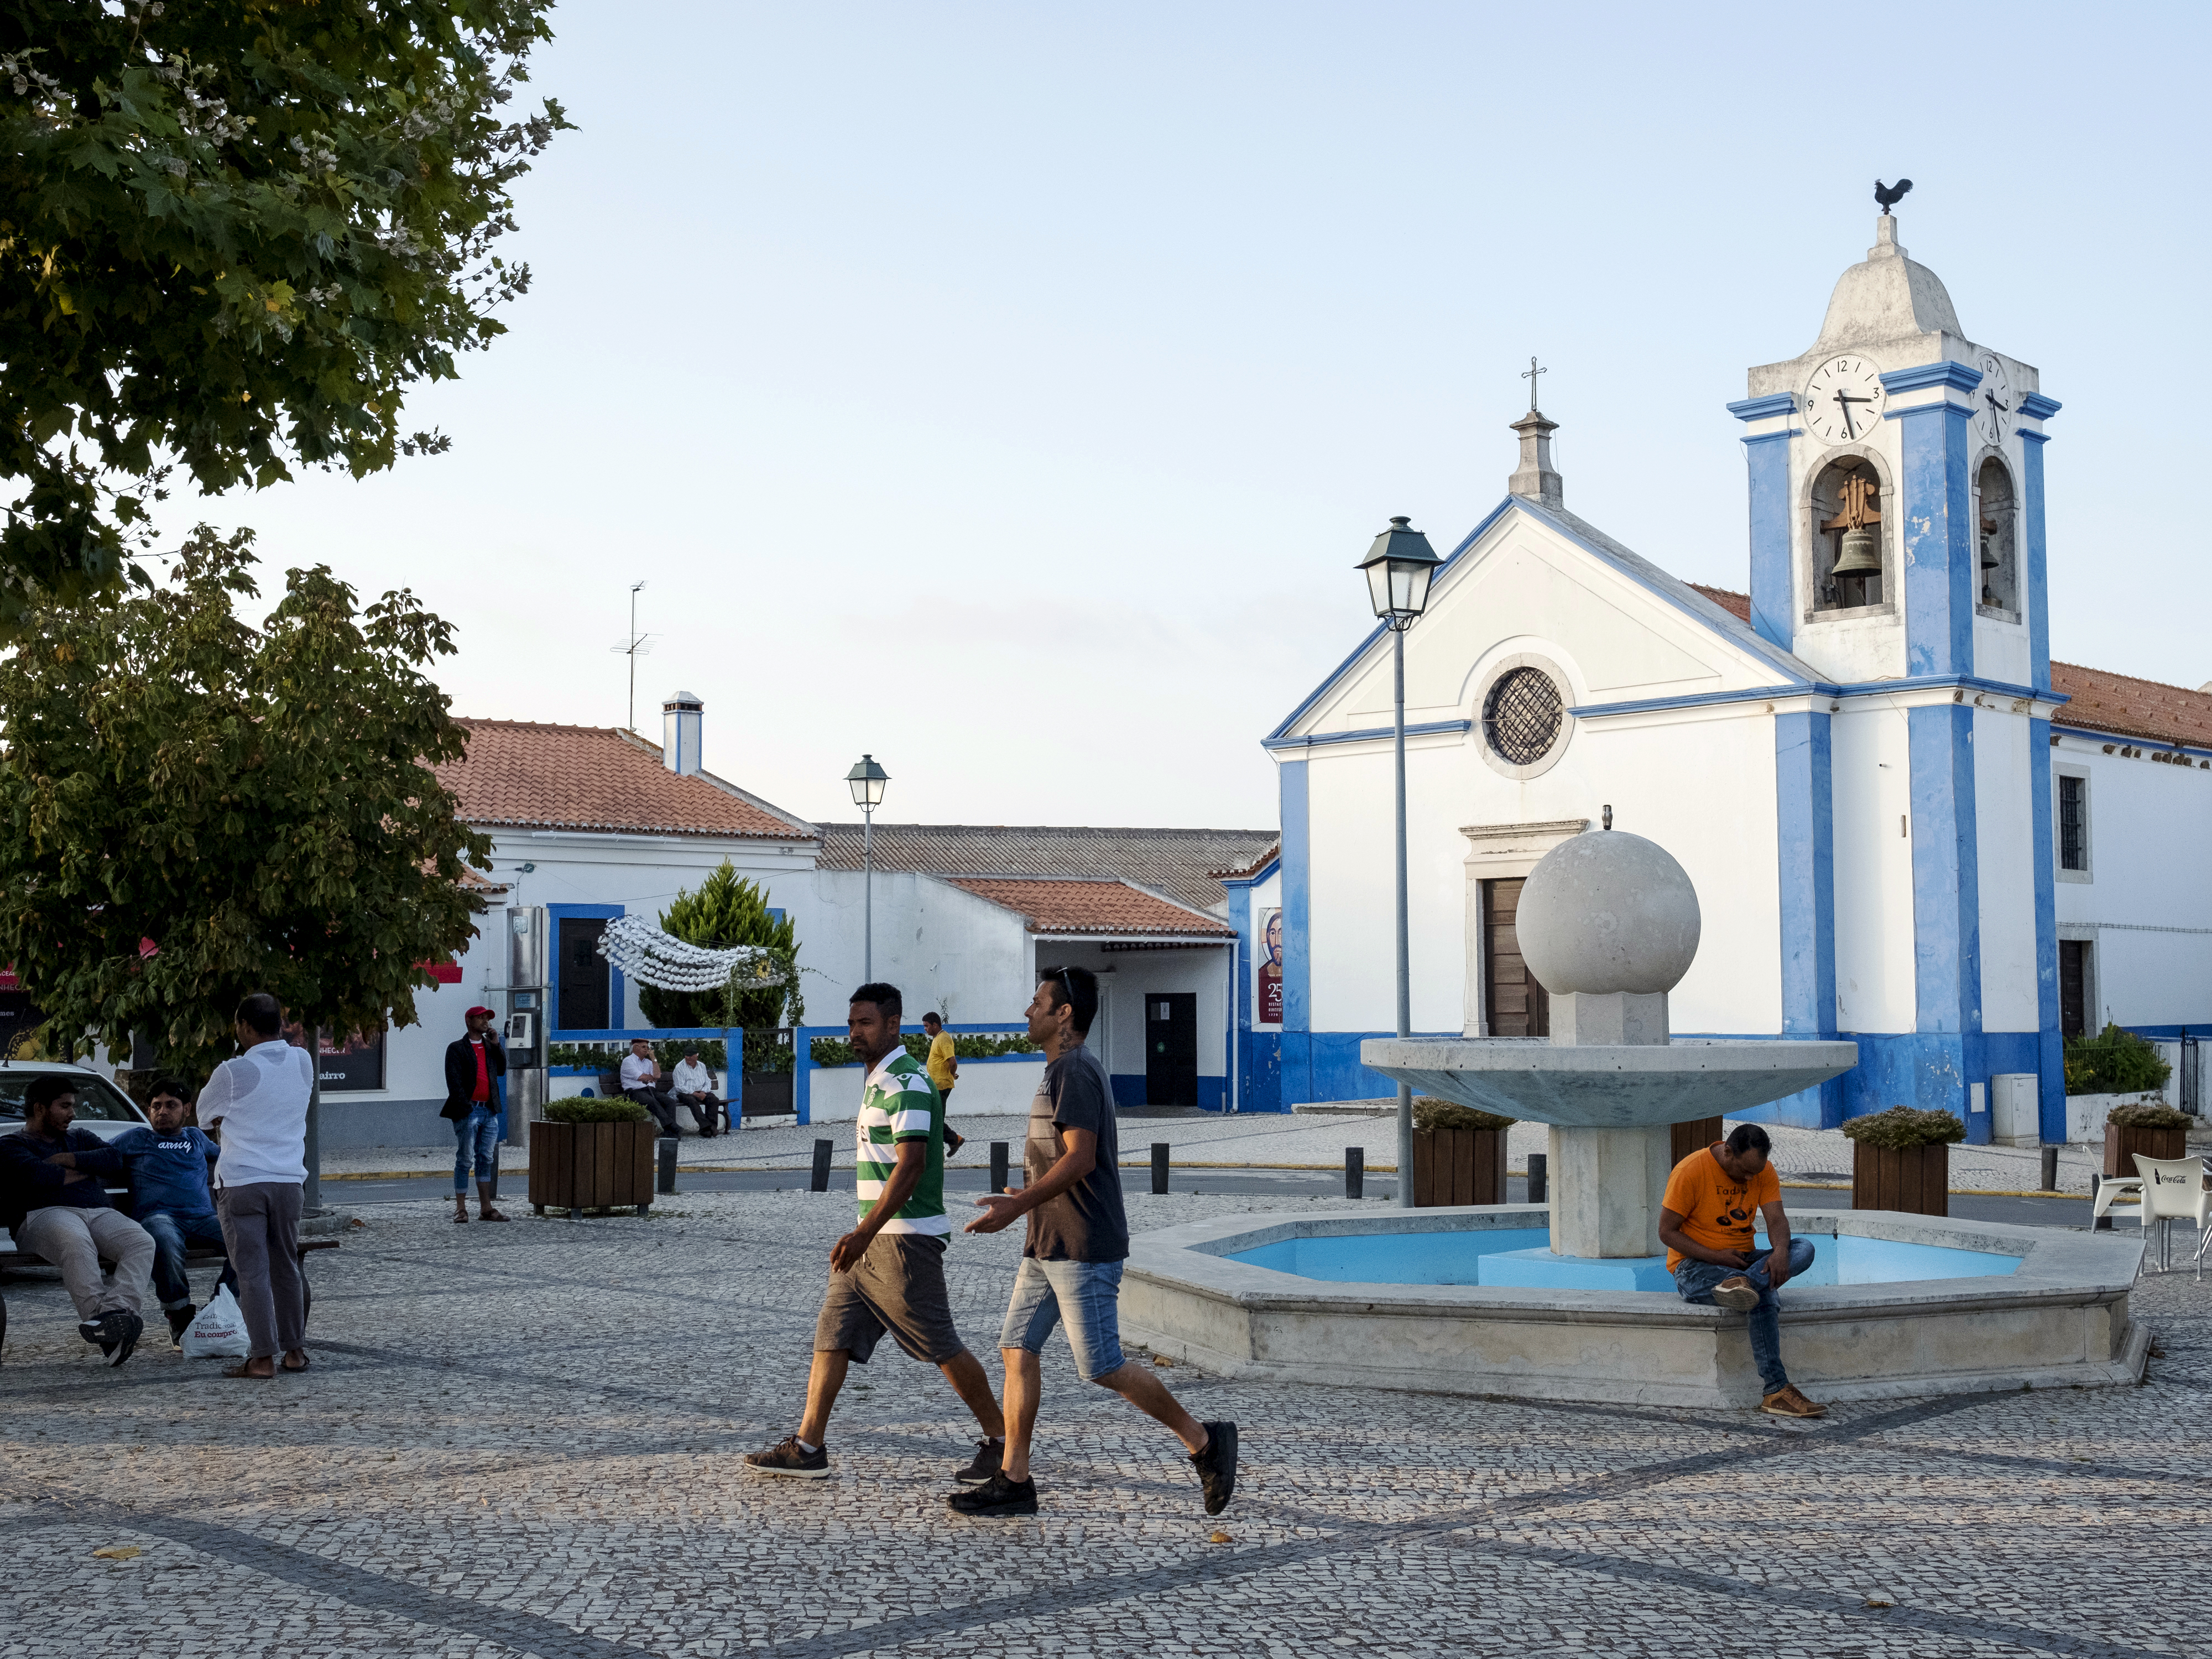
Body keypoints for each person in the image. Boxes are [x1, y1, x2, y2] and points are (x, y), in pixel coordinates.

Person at [956, 966, 1238, 1518]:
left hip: (1082, 1243)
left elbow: (1082, 1159)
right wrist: (1030, 1198)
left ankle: (1205, 1442)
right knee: (1016, 1348)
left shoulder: (1074, 1072)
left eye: (1038, 1001)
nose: (1028, 1010)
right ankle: (1014, 1479)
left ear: (1065, 1014)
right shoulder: (1058, 1071)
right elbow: (1063, 1159)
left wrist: (1020, 1204)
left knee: (1102, 1365)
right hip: (1047, 1243)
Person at [742, 982, 1006, 1483]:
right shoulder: (880, 1081)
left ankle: (1002, 1442)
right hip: (871, 1239)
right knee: (833, 1334)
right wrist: (863, 1235)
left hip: (903, 1240)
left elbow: (911, 1169)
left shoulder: (906, 1082)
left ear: (893, 1025)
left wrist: (864, 1233)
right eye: (851, 1023)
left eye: (865, 1024)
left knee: (941, 1345)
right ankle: (808, 1446)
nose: (854, 1033)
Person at [1658, 1123, 1825, 1419]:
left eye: (1756, 1173)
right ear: (1728, 1151)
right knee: (1764, 1296)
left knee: (1805, 1248)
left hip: (1744, 1261)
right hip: (1695, 1267)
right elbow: (1667, 1232)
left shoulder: (1764, 1171)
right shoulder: (1691, 1171)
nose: (1750, 1179)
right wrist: (1716, 1255)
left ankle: (1746, 1284)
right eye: (1745, 1172)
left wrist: (1781, 1253)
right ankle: (1776, 1389)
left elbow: (1776, 1219)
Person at [0, 1073, 154, 1366]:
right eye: (65, 1106)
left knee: (141, 1241)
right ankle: (105, 1325)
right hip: (42, 1215)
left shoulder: (80, 1137)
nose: (73, 1113)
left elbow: (114, 1159)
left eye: (73, 1106)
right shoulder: (11, 1145)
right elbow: (40, 1177)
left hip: (97, 1212)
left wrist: (67, 1160)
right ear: (39, 1108)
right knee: (76, 1240)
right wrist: (86, 1166)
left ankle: (112, 1315)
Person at [197, 992, 313, 1379]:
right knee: (286, 1266)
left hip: (244, 1180)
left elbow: (203, 1115)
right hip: (289, 1182)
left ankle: (262, 1358)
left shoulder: (234, 1071)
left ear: (244, 1027)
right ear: (279, 1022)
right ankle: (294, 1351)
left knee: (252, 1272)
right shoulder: (303, 1060)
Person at [112, 1074, 237, 1343]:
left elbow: (232, 1157)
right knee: (163, 1242)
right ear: (149, 1111)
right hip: (159, 1217)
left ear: (187, 1110)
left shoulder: (196, 1138)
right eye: (157, 1106)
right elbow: (101, 1156)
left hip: (202, 1218)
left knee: (248, 1239)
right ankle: (179, 1313)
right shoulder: (136, 1139)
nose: (163, 1112)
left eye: (171, 1105)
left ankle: (222, 1303)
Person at [442, 1005, 508, 1223]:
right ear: (469, 1021)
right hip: (469, 1110)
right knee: (464, 1159)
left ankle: (486, 1208)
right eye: (481, 1018)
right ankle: (461, 1208)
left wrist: (497, 1045)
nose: (485, 1021)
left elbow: (501, 1070)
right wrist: (467, 1109)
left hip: (489, 1110)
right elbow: (454, 1083)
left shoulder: (490, 1046)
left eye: (487, 1018)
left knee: (485, 1159)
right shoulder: (457, 1049)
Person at [920, 1014, 964, 1157]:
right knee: (935, 1118)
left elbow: (952, 1062)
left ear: (935, 1025)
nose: (925, 1029)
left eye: (927, 1026)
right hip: (936, 1085)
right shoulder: (937, 1038)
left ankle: (950, 1143)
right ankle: (953, 1141)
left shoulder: (944, 1039)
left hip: (942, 1086)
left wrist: (951, 1075)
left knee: (936, 1119)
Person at [619, 1037, 682, 1138]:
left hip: (650, 1090)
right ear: (635, 1048)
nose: (647, 1050)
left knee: (670, 1101)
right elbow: (640, 1077)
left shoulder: (649, 1062)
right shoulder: (628, 1061)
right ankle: (673, 1127)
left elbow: (657, 1076)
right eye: (644, 1047)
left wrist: (653, 1058)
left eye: (647, 1047)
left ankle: (669, 1133)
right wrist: (649, 1077)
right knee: (653, 1101)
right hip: (635, 1092)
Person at [670, 1046, 726, 1137]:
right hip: (684, 1093)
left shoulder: (701, 1066)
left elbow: (707, 1081)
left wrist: (703, 1092)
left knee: (713, 1099)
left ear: (697, 1056)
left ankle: (708, 1129)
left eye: (691, 1056)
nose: (688, 1058)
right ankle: (709, 1126)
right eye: (687, 1056)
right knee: (692, 1101)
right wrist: (695, 1093)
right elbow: (679, 1086)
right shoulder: (679, 1068)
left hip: (701, 1092)